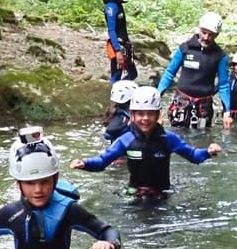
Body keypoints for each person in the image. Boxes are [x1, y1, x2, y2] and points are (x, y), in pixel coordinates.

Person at [72, 86, 222, 201]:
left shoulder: (168, 139)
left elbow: (193, 155)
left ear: (158, 115)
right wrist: (84, 163)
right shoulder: (126, 140)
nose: (145, 118)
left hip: (162, 195)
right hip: (135, 193)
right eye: (140, 114)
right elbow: (102, 162)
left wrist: (208, 152)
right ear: (133, 115)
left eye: (150, 113)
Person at [157, 12, 233, 129]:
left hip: (204, 107)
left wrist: (227, 111)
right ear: (199, 29)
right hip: (181, 103)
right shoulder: (184, 49)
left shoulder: (220, 56)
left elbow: (223, 85)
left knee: (202, 138)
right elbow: (169, 73)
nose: (206, 38)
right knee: (177, 136)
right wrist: (157, 96)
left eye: (211, 35)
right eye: (204, 32)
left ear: (217, 35)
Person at [103, 0, 138, 83]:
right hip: (117, 46)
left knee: (132, 73)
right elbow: (111, 30)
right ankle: (114, 93)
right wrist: (117, 51)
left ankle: (121, 90)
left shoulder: (117, 4)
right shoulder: (111, 7)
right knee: (116, 75)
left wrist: (128, 43)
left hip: (124, 44)